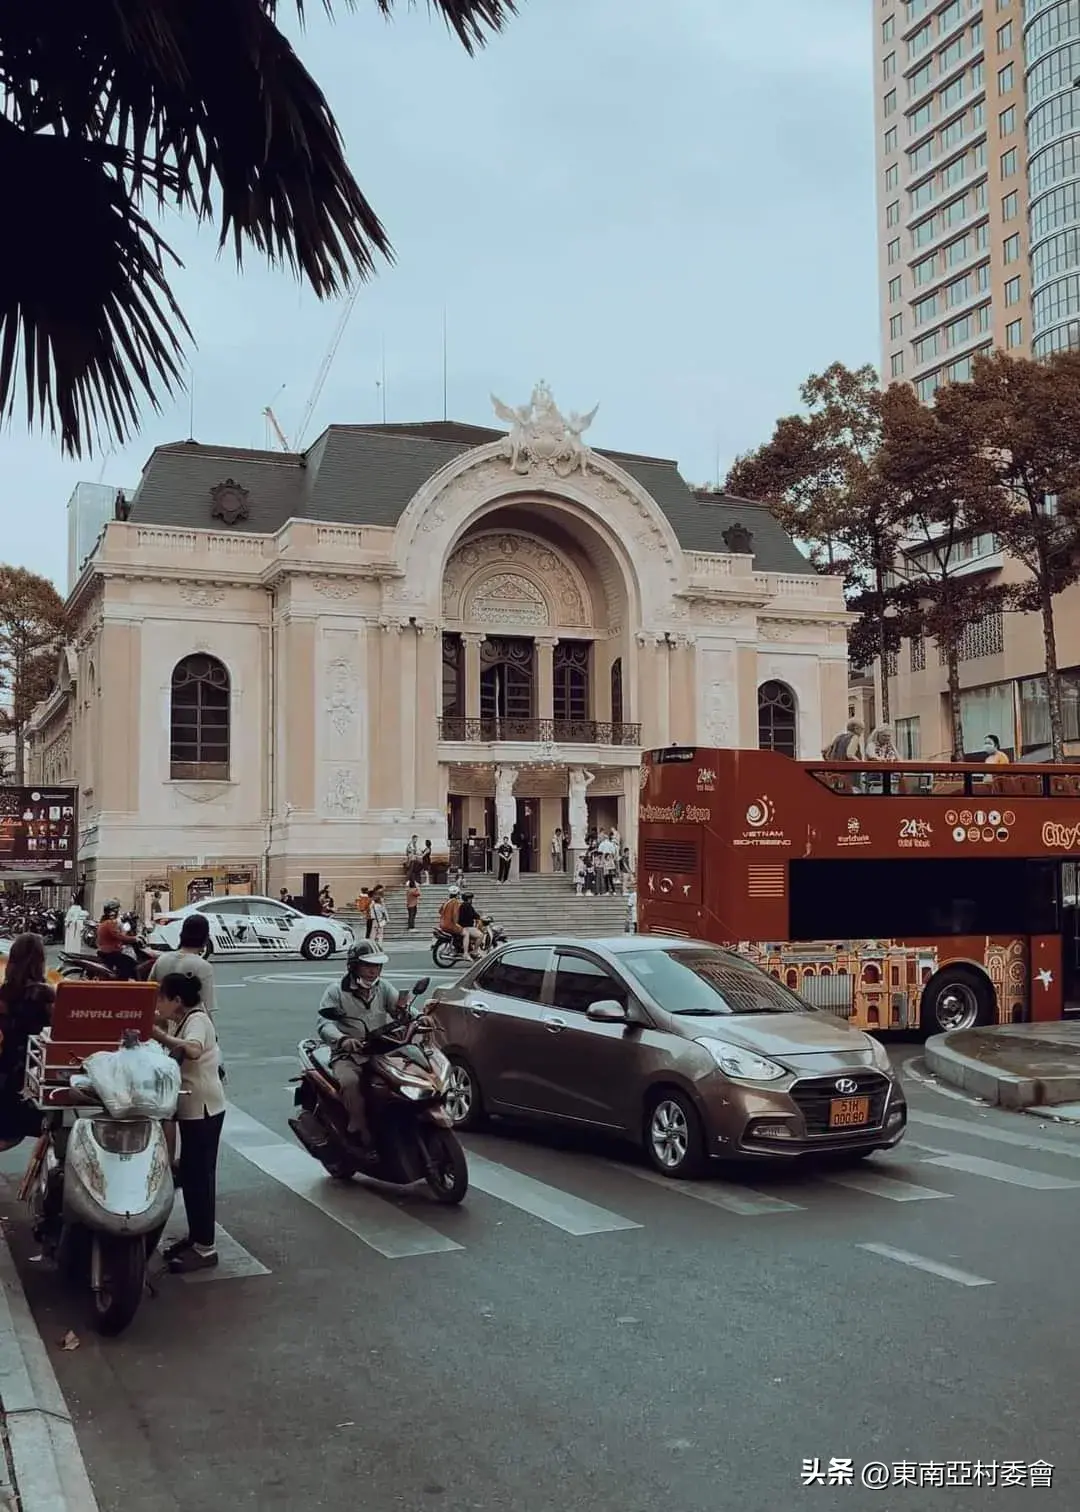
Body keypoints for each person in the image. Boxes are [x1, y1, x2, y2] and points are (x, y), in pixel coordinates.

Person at [152, 972, 224, 1272]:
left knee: (199, 1180)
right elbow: (160, 1025)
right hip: (191, 1108)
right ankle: (197, 1239)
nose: (158, 1005)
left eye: (161, 999)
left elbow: (192, 1049)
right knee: (193, 1176)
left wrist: (159, 1035)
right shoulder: (181, 1019)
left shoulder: (197, 1020)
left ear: (177, 1000)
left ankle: (206, 1248)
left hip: (204, 1109)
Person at [317, 942, 405, 1149]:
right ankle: (357, 1124)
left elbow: (400, 1009)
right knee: (349, 1082)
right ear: (354, 966)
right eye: (368, 966)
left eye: (377, 966)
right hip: (348, 1055)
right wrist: (342, 1039)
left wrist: (420, 1018)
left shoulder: (383, 987)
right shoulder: (335, 991)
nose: (373, 971)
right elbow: (324, 1023)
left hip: (381, 1050)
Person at [0, 934, 53, 1151]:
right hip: (35, 1073)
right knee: (51, 1131)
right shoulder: (46, 994)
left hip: (6, 1071)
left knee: (8, 1136)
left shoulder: (4, 993)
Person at [150, 912, 216, 1020]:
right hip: (187, 1026)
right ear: (205, 938)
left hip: (161, 1023)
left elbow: (150, 994)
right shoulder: (203, 967)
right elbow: (205, 1007)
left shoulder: (162, 960)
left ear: (182, 935)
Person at [96, 900, 138, 979]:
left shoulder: (105, 922)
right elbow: (119, 936)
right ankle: (122, 983)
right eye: (117, 910)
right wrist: (134, 939)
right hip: (109, 952)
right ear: (113, 911)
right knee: (130, 962)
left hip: (106, 951)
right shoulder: (109, 923)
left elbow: (118, 935)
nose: (119, 912)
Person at [457, 891, 483, 960]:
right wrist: (479, 917)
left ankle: (471, 948)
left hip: (462, 925)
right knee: (480, 935)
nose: (472, 900)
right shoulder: (467, 905)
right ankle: (475, 952)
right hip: (467, 927)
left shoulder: (462, 905)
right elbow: (473, 914)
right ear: (469, 899)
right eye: (471, 899)